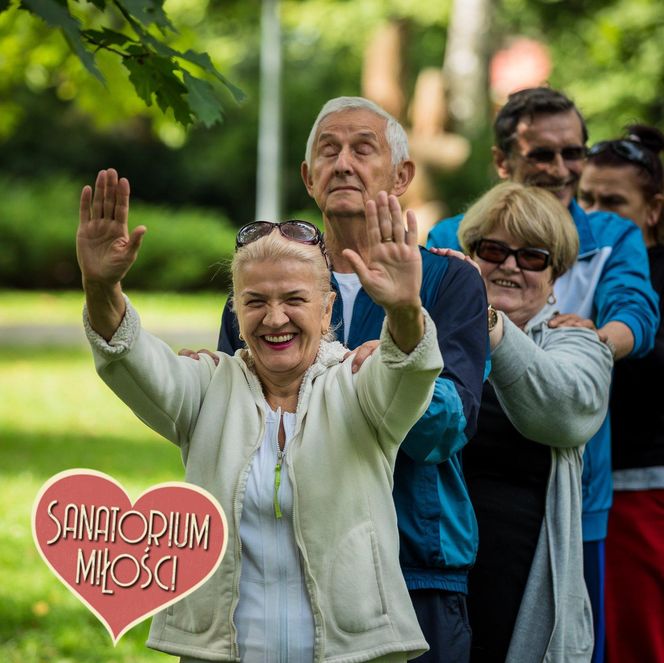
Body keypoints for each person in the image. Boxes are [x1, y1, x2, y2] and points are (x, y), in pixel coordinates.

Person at [77, 168, 443, 662]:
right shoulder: (208, 386)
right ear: (235, 311)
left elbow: (409, 374)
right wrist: (101, 289)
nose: (274, 319)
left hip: (352, 651)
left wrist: (403, 310)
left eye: (294, 299)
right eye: (255, 302)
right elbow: (131, 358)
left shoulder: (358, 383)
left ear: (326, 306)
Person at [212, 97, 488, 662]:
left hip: (418, 566)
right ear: (308, 178)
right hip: (283, 570)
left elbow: (447, 430)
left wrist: (394, 368)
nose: (344, 163)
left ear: (403, 174)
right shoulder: (265, 287)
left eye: (364, 149)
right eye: (328, 150)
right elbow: (233, 429)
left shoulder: (446, 281)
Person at [427, 87, 660, 663]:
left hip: (571, 492)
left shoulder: (610, 235)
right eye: (543, 155)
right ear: (504, 161)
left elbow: (636, 310)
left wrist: (588, 348)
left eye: (572, 153)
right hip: (445, 507)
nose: (562, 169)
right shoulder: (451, 236)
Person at [435, 181, 612, 662]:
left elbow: (567, 412)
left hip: (521, 588)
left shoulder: (577, 343)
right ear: (471, 253)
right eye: (494, 250)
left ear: (555, 277)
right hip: (428, 581)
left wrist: (485, 319)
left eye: (533, 257)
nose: (510, 265)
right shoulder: (432, 338)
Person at [578, 125, 664, 663]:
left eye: (613, 201)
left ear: (653, 209)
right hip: (589, 494)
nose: (595, 214)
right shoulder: (574, 263)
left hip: (641, 491)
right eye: (585, 198)